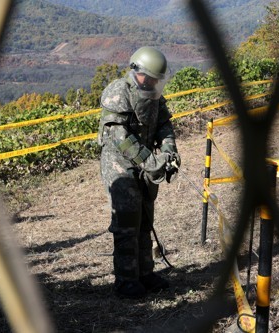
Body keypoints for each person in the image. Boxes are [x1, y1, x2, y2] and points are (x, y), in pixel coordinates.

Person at [97, 46, 181, 299]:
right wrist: (150, 161)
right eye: (149, 77)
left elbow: (164, 126)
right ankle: (126, 280)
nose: (153, 82)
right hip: (119, 165)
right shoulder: (117, 91)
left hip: (146, 163)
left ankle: (146, 273)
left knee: (145, 219)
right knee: (127, 222)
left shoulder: (155, 94)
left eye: (157, 79)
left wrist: (168, 151)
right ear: (136, 72)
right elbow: (119, 136)